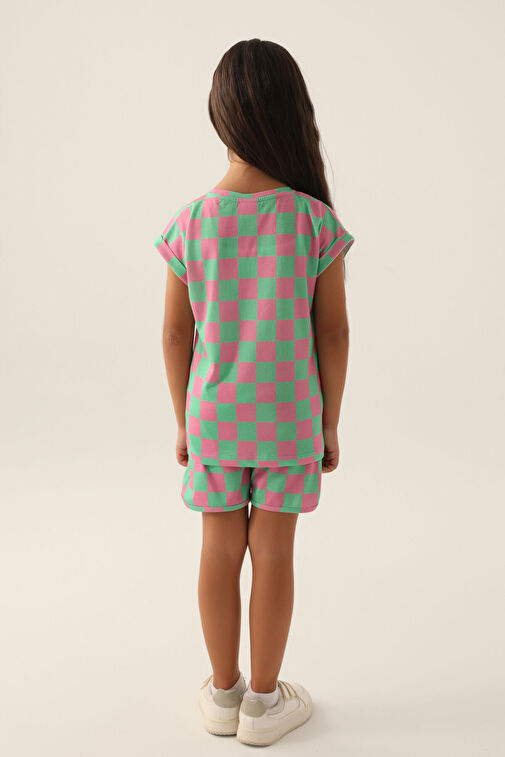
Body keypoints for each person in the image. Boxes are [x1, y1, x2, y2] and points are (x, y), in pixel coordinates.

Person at [153, 39, 355, 747]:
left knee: (217, 549)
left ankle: (222, 693)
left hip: (214, 417)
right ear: (293, 113)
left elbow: (174, 335)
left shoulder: (190, 221)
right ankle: (264, 704)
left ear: (220, 115)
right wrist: (329, 424)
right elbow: (333, 334)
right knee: (273, 552)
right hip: (289, 420)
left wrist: (184, 422)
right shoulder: (312, 221)